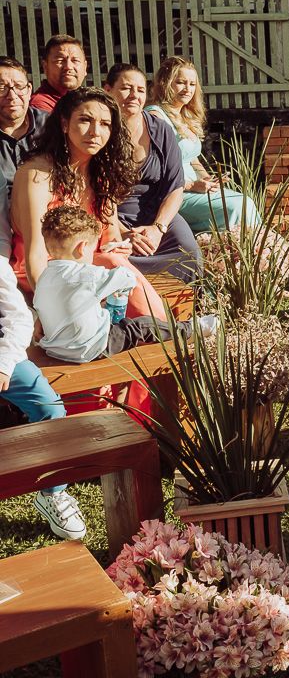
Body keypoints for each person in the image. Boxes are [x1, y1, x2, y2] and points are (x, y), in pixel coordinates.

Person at [10, 87, 167, 321]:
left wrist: (118, 246)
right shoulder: (37, 173)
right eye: (85, 120)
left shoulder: (100, 172)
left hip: (91, 267)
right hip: (45, 273)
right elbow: (35, 254)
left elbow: (109, 235)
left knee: (116, 262)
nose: (95, 132)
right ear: (64, 124)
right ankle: (161, 329)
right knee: (115, 268)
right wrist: (47, 311)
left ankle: (155, 329)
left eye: (105, 124)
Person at [34, 205, 215, 363]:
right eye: (92, 247)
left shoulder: (45, 277)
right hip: (91, 347)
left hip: (56, 348)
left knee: (105, 311)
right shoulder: (88, 275)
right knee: (141, 326)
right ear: (82, 247)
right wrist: (115, 253)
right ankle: (191, 330)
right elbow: (126, 276)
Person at [0, 249, 76, 540]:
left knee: (50, 407)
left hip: (4, 355)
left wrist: (4, 365)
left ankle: (53, 493)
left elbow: (19, 320)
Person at [103, 64, 203, 284]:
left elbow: (175, 186)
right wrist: (122, 232)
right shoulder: (99, 131)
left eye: (140, 90)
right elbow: (93, 190)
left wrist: (158, 228)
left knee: (188, 253)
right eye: (126, 88)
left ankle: (185, 312)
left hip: (158, 213)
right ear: (108, 90)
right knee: (115, 258)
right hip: (110, 217)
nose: (134, 95)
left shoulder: (160, 129)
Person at [147, 57, 261, 233]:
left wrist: (207, 179)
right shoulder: (156, 116)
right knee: (236, 206)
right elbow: (155, 170)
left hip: (195, 188)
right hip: (173, 193)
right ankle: (232, 253)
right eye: (180, 82)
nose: (188, 89)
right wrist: (192, 185)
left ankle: (252, 255)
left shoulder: (186, 116)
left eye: (192, 84)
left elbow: (192, 160)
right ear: (165, 84)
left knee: (247, 202)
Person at [0, 56, 45, 194]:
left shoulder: (50, 127)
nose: (12, 95)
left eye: (19, 87)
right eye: (2, 88)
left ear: (29, 89)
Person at [29, 35, 88, 113]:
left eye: (75, 60)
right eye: (60, 60)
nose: (68, 66)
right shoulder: (40, 107)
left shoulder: (87, 101)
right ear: (45, 67)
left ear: (85, 67)